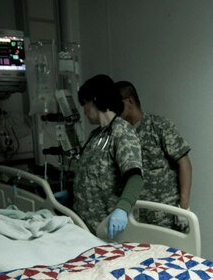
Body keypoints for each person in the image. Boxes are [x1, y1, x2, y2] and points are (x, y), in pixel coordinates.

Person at [70, 74, 144, 239]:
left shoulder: (121, 131)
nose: (84, 109)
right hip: (86, 228)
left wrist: (122, 209)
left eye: (85, 103)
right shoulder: (96, 135)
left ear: (95, 100)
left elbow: (135, 178)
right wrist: (70, 192)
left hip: (109, 228)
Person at [116, 80, 193, 231]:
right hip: (136, 217)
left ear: (129, 100)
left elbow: (185, 164)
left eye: (117, 103)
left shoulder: (158, 126)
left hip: (165, 217)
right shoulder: (120, 134)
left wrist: (183, 208)